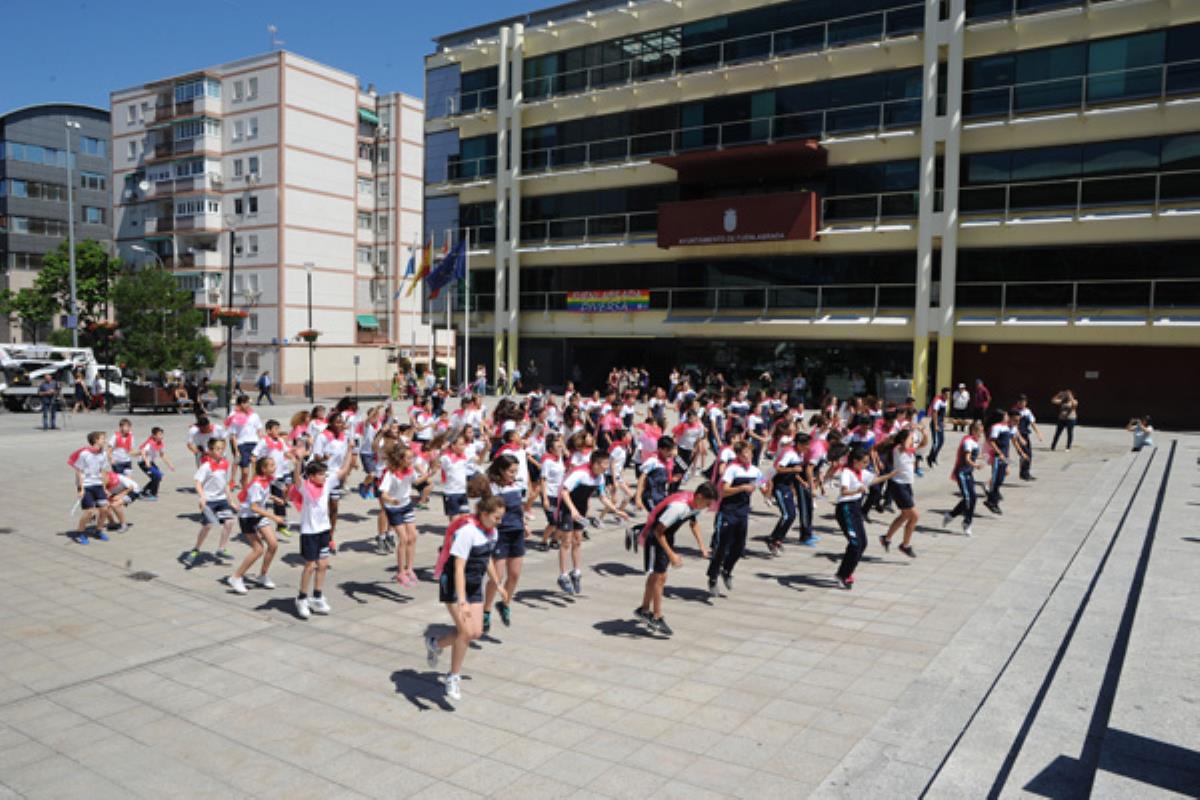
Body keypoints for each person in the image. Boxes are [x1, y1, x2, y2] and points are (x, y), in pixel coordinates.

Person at [425, 488, 507, 703]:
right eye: (497, 517)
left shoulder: (491, 532)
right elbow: (459, 567)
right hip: (454, 585)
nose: (499, 522)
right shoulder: (468, 532)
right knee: (465, 631)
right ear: (485, 513)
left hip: (474, 586)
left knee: (475, 632)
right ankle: (453, 677)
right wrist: (461, 600)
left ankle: (435, 644)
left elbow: (487, 558)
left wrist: (497, 583)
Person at [632, 483, 716, 635]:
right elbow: (658, 532)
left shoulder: (694, 502)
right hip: (656, 537)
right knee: (660, 577)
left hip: (667, 535)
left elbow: (694, 523)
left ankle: (644, 610)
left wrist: (702, 547)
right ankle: (657, 616)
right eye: (708, 503)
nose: (708, 506)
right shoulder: (678, 507)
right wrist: (671, 554)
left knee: (657, 575)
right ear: (700, 497)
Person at [289, 447, 357, 619]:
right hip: (309, 532)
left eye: (325, 474)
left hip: (324, 530)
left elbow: (343, 471)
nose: (324, 477)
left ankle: (317, 596)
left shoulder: (327, 484)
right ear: (311, 476)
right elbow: (297, 479)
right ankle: (302, 598)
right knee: (310, 566)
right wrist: (298, 462)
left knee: (323, 564)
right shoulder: (305, 487)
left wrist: (350, 451)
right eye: (320, 474)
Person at [557, 451, 630, 595]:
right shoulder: (580, 474)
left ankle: (576, 572)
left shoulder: (600, 477)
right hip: (568, 508)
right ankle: (563, 575)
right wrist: (572, 510)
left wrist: (616, 510)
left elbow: (603, 497)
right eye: (604, 465)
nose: (606, 468)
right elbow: (564, 492)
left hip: (581, 510)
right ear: (595, 463)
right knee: (566, 542)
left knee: (578, 540)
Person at [833, 447, 894, 590]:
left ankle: (844, 572)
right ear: (855, 461)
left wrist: (891, 475)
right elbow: (844, 491)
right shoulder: (846, 472)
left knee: (863, 543)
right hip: (845, 509)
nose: (866, 465)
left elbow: (874, 480)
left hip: (855, 509)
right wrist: (858, 490)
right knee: (855, 544)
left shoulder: (861, 472)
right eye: (864, 462)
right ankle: (843, 575)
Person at [706, 441, 762, 597]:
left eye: (749, 453)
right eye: (744, 453)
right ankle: (712, 577)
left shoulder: (755, 470)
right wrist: (742, 488)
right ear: (738, 455)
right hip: (727, 511)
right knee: (721, 547)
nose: (748, 456)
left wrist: (766, 488)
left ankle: (727, 571)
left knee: (739, 547)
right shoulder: (732, 470)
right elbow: (723, 491)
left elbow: (761, 483)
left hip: (742, 513)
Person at [482, 454, 526, 634]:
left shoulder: (517, 485)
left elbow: (519, 508)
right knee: (497, 576)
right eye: (511, 471)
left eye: (516, 471)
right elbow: (485, 513)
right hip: (500, 535)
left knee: (514, 574)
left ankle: (505, 603)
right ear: (500, 470)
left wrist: (525, 525)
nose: (514, 475)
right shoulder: (492, 488)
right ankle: (486, 609)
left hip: (517, 533)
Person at [227, 457, 283, 595]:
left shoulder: (265, 480)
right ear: (263, 469)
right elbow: (254, 507)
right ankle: (236, 577)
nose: (274, 467)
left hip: (259, 516)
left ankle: (262, 575)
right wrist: (274, 517)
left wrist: (273, 498)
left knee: (273, 544)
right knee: (258, 549)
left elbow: (262, 495)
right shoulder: (257, 484)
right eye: (271, 465)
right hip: (248, 518)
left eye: (274, 464)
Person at [183, 438, 238, 567]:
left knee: (229, 522)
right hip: (209, 501)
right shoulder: (206, 466)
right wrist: (202, 497)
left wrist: (231, 501)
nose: (221, 451)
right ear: (210, 451)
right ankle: (195, 549)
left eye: (222, 448)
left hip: (222, 499)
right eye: (218, 449)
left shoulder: (225, 464)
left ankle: (221, 549)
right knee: (207, 526)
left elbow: (225, 484)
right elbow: (197, 483)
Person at [880, 428, 919, 558]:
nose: (913, 441)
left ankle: (886, 538)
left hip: (906, 485)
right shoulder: (898, 449)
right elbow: (905, 445)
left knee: (905, 516)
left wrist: (923, 433)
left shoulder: (909, 450)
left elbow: (923, 444)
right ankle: (905, 545)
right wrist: (909, 434)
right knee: (915, 516)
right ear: (903, 440)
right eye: (910, 438)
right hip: (898, 485)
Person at [68, 432, 112, 545]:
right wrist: (81, 489)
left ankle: (98, 530)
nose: (105, 440)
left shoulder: (103, 454)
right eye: (103, 438)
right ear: (95, 440)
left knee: (105, 509)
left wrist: (104, 487)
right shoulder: (84, 454)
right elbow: (79, 471)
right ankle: (80, 533)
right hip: (86, 485)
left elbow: (102, 471)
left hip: (98, 484)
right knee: (89, 512)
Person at [943, 421, 984, 536]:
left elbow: (972, 456)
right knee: (967, 498)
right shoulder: (968, 442)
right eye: (980, 431)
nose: (981, 434)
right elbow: (967, 458)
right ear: (974, 431)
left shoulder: (974, 442)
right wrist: (976, 465)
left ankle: (955, 517)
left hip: (968, 474)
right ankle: (965, 522)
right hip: (962, 473)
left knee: (973, 498)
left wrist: (981, 457)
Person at [138, 426, 175, 500]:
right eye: (160, 434)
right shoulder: (149, 443)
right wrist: (146, 462)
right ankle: (151, 493)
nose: (161, 436)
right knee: (156, 477)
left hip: (150, 462)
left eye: (162, 434)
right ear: (154, 435)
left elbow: (162, 455)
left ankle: (145, 491)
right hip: (143, 463)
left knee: (158, 477)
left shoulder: (160, 443)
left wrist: (170, 465)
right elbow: (143, 452)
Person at [1012, 394, 1043, 481]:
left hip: (1025, 434)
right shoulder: (1014, 411)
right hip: (1017, 435)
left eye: (1024, 402)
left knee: (1029, 454)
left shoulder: (1027, 411)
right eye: (1021, 402)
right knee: (1024, 454)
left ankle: (1026, 472)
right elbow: (1014, 426)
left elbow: (1032, 423)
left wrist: (1038, 433)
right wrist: (1019, 437)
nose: (1023, 404)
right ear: (1018, 402)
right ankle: (1023, 473)